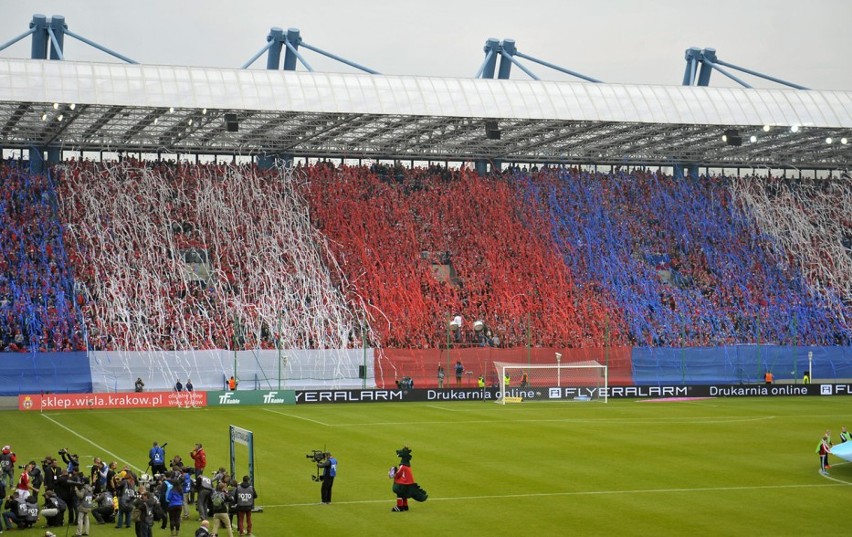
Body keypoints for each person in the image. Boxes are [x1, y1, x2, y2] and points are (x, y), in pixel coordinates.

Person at [390, 446, 428, 512]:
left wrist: (393, 474)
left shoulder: (403, 466)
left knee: (398, 491)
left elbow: (398, 474)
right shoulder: (407, 465)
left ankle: (399, 507)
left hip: (404, 484)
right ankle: (405, 506)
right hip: (409, 483)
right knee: (403, 494)